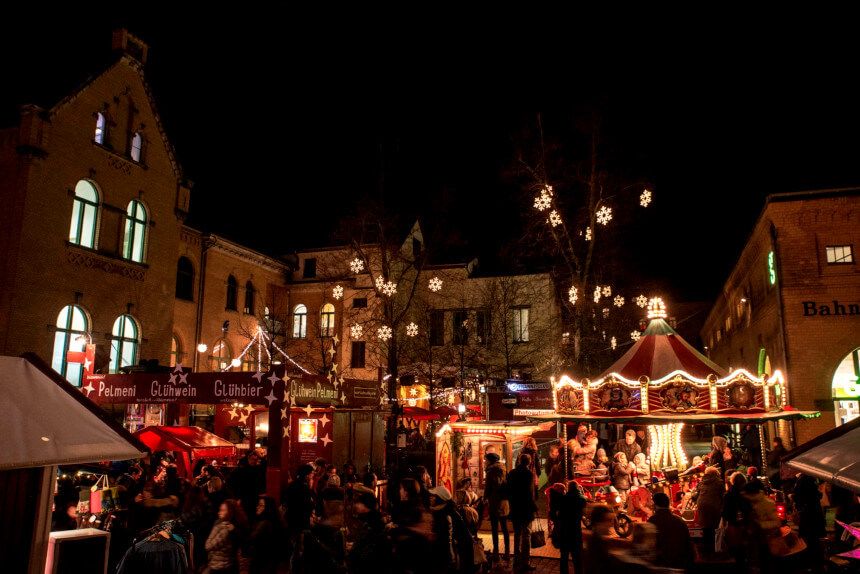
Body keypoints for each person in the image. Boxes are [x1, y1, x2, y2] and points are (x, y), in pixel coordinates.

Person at [648, 492, 694, 570]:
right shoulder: (679, 520)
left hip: (662, 565)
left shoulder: (652, 521)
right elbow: (688, 545)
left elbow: (650, 546)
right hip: (680, 563)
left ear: (655, 505)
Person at [507, 453, 538, 572]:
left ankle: (516, 560)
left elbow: (509, 490)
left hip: (515, 507)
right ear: (529, 462)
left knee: (517, 534)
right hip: (526, 509)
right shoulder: (528, 474)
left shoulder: (512, 473)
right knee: (526, 535)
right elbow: (529, 493)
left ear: (519, 460)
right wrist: (534, 506)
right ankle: (525, 562)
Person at [348, 492, 391, 574]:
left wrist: (354, 550)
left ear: (366, 505)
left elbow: (368, 545)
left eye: (359, 503)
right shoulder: (370, 519)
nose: (356, 505)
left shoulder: (371, 522)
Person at [549, 481, 585, 574]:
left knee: (564, 556)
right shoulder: (580, 499)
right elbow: (583, 502)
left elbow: (555, 515)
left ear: (568, 489)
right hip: (575, 532)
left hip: (564, 532)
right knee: (577, 557)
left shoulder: (563, 500)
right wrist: (581, 492)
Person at [205, 499, 248, 574]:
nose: (219, 512)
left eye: (223, 510)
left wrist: (217, 528)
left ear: (230, 512)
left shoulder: (226, 528)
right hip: (225, 564)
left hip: (221, 566)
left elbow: (208, 546)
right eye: (220, 510)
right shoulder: (230, 526)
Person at [793, 474, 826, 572]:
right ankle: (816, 562)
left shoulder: (802, 479)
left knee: (809, 538)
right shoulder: (810, 478)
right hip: (813, 512)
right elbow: (817, 494)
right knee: (813, 539)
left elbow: (797, 496)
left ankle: (810, 562)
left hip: (807, 513)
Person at [483, 451, 510, 563]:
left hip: (495, 501)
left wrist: (485, 498)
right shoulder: (503, 469)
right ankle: (507, 552)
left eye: (486, 460)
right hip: (504, 501)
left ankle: (496, 552)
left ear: (490, 460)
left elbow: (488, 487)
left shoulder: (490, 471)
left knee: (494, 528)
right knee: (504, 527)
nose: (485, 462)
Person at [721, 471, 751, 569]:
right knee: (745, 547)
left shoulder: (728, 494)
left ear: (732, 481)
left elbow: (725, 512)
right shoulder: (746, 493)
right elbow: (749, 509)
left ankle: (738, 565)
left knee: (735, 547)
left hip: (733, 524)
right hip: (744, 524)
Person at [694, 466, 724, 556]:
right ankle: (716, 550)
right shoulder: (719, 482)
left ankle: (706, 551)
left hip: (702, 506)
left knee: (706, 528)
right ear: (716, 473)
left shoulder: (701, 482)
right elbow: (722, 496)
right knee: (716, 528)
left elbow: (695, 495)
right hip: (714, 506)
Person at [584, 505, 616, 574]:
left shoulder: (599, 539)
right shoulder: (596, 542)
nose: (611, 524)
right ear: (598, 522)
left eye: (612, 520)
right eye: (608, 520)